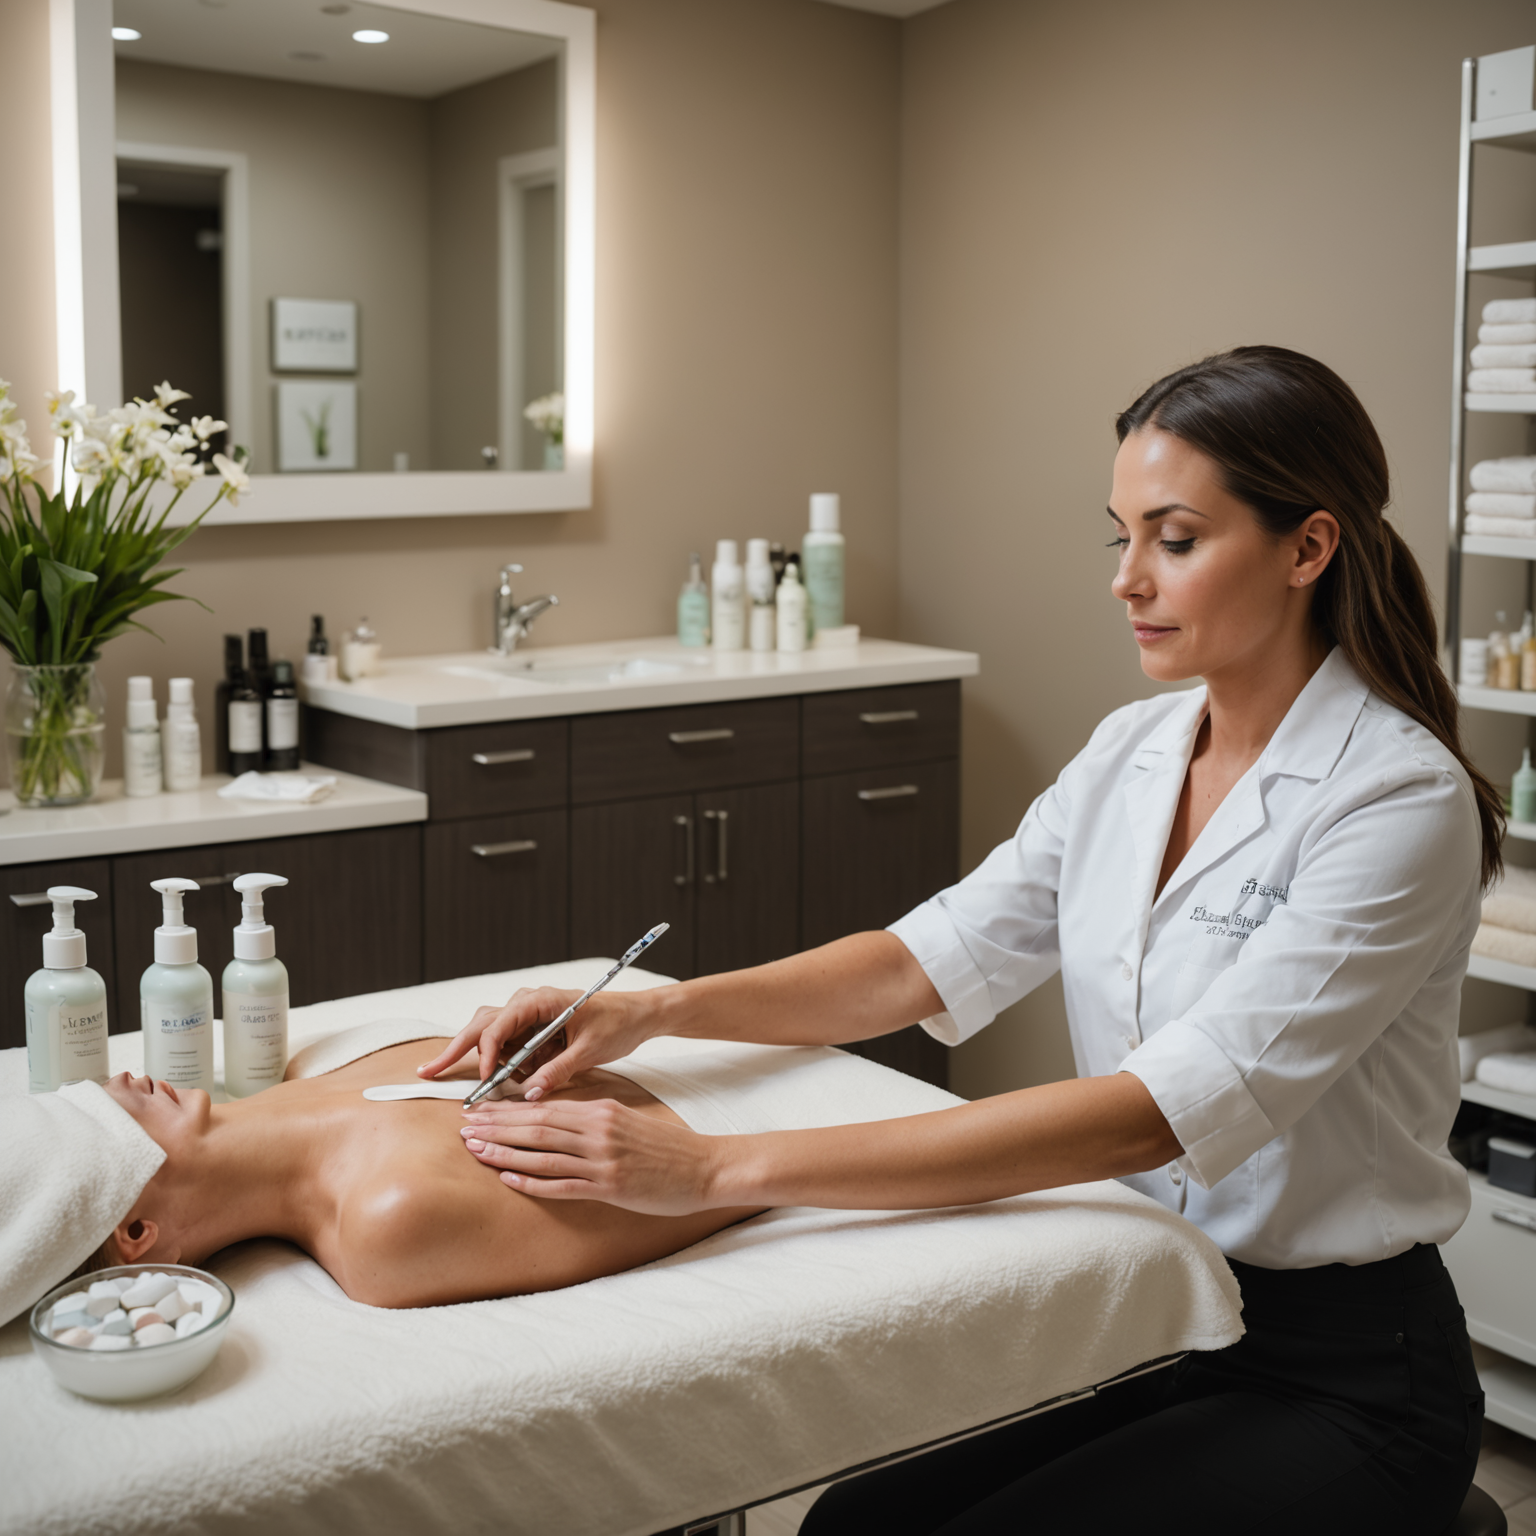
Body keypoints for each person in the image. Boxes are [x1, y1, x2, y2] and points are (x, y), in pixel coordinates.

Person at [429, 347, 1495, 1533]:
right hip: (1155, 1310)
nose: (1128, 580)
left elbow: (1156, 1111)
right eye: (1121, 537)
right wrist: (648, 1007)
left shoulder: (1395, 801)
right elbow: (915, 961)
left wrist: (714, 1172)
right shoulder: (1132, 753)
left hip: (1345, 1378)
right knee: (854, 1525)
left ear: (1309, 547)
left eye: (1176, 540)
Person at [73, 1037, 765, 1310]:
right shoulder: (386, 1224)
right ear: (137, 1231)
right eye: (99, 1123)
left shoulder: (303, 1069)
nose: (115, 1080)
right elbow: (712, 1181)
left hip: (715, 1049)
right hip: (764, 1105)